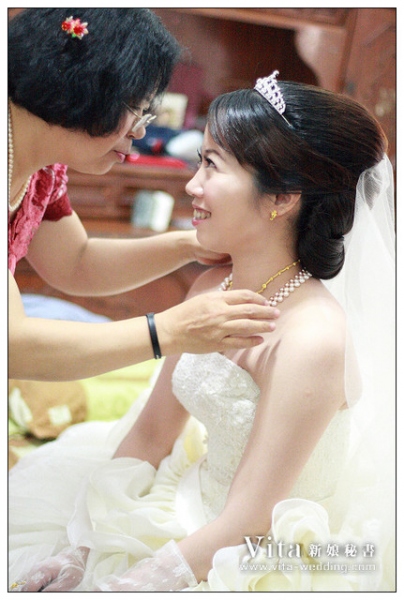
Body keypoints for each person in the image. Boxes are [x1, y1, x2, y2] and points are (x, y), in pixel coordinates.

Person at [9, 72, 395, 592]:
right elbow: (150, 436)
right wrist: (81, 545)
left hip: (258, 547)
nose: (192, 185)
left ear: (281, 197)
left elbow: (250, 521)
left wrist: (123, 586)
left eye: (212, 165)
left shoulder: (312, 339)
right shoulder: (213, 285)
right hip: (191, 503)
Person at [8, 8, 279, 383]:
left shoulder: (43, 172)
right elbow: (13, 346)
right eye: (137, 110)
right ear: (85, 87)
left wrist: (190, 246)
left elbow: (75, 261)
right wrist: (168, 331)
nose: (139, 133)